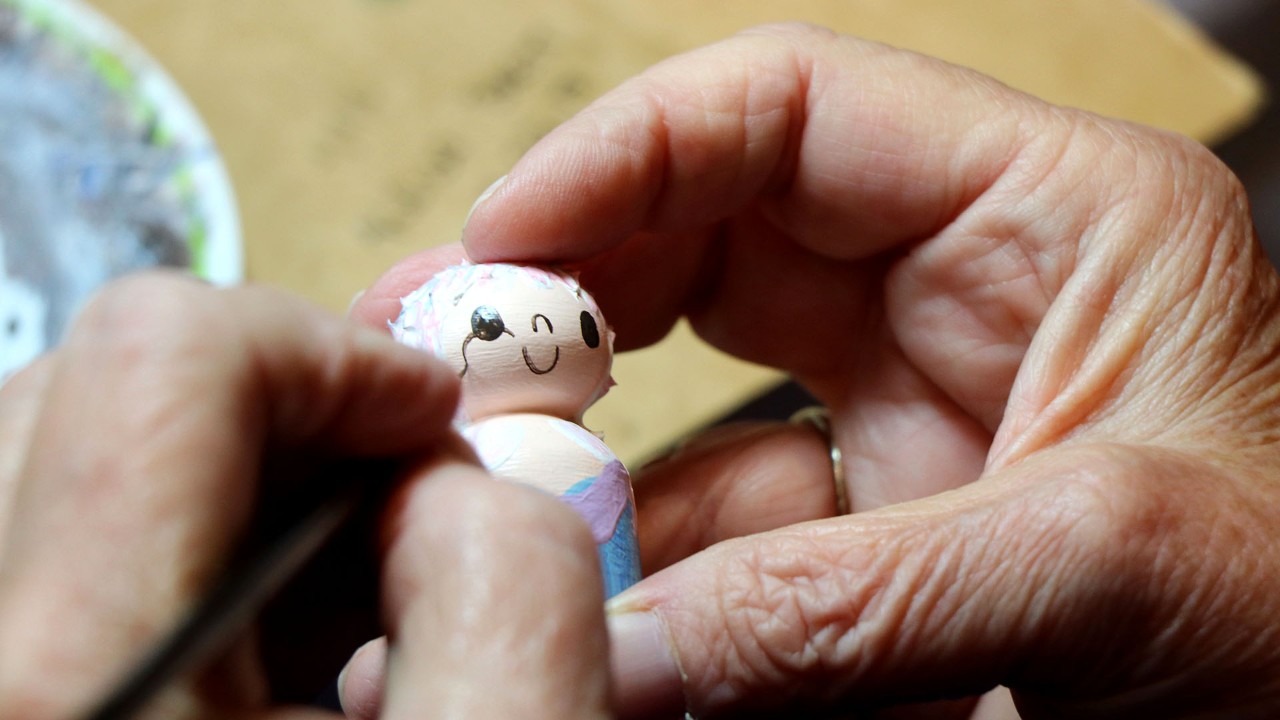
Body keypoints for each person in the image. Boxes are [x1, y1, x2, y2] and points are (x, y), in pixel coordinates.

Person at [2, 22, 1279, 719]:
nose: (508, 344)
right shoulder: (476, 457)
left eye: (533, 326)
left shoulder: (563, 456)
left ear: (598, 354)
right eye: (482, 332)